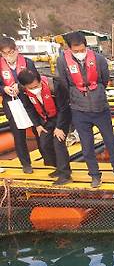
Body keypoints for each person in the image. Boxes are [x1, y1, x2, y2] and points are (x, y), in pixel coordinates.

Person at [56, 31, 114, 188]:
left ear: (86, 47)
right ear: (69, 49)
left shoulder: (99, 59)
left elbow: (104, 79)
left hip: (100, 108)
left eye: (82, 50)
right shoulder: (62, 61)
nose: (80, 53)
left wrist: (96, 93)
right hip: (79, 110)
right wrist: (77, 96)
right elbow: (64, 83)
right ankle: (94, 175)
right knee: (87, 146)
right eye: (76, 51)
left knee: (110, 141)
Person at [17, 68, 72, 185]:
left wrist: (59, 127)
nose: (34, 89)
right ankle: (58, 167)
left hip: (61, 117)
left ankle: (65, 174)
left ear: (40, 80)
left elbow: (64, 108)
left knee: (58, 143)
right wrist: (37, 124)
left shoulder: (55, 85)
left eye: (36, 86)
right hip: (45, 119)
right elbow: (29, 107)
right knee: (44, 144)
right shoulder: (23, 90)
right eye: (30, 88)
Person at [0, 37, 40, 173]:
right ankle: (26, 164)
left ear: (16, 50)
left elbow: (36, 80)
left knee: (38, 130)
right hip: (11, 103)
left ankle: (47, 158)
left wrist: (21, 86)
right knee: (18, 135)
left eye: (10, 52)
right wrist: (3, 89)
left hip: (29, 101)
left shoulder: (28, 63)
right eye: (4, 53)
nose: (8, 56)